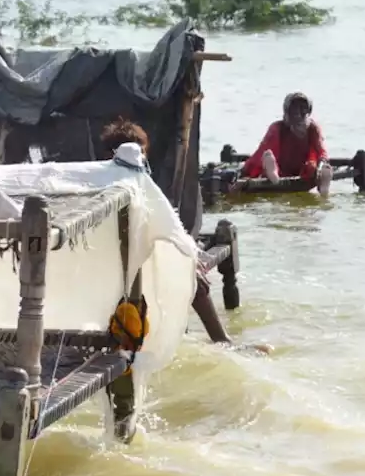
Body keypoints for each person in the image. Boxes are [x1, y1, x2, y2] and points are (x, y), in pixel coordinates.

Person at [98, 118, 270, 354]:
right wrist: (189, 259)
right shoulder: (110, 181)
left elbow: (164, 227)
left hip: (133, 258)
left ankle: (217, 340)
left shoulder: (139, 182)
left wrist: (190, 256)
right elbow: (164, 229)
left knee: (192, 274)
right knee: (194, 280)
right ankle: (221, 340)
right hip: (118, 263)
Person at [236, 92, 334, 197]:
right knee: (268, 156)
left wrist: (320, 165)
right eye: (294, 110)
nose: (298, 114)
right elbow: (260, 153)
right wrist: (244, 172)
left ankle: (324, 191)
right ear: (287, 112)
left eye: (302, 109)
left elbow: (321, 152)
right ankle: (274, 179)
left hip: (303, 170)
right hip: (278, 169)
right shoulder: (277, 128)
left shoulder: (313, 129)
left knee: (324, 168)